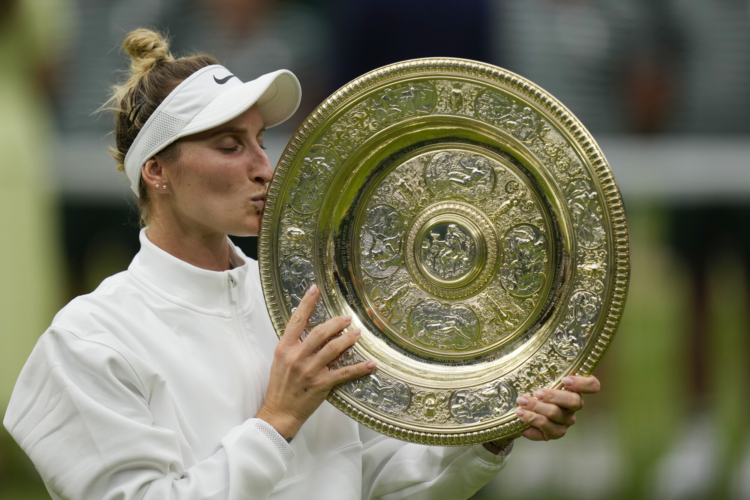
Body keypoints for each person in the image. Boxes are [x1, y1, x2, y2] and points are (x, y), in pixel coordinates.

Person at [3, 29, 600, 500]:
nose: (265, 166)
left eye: (260, 139)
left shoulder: (309, 303)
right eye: (229, 146)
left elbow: (381, 481)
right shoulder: (87, 341)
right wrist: (277, 419)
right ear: (156, 171)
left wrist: (490, 433)